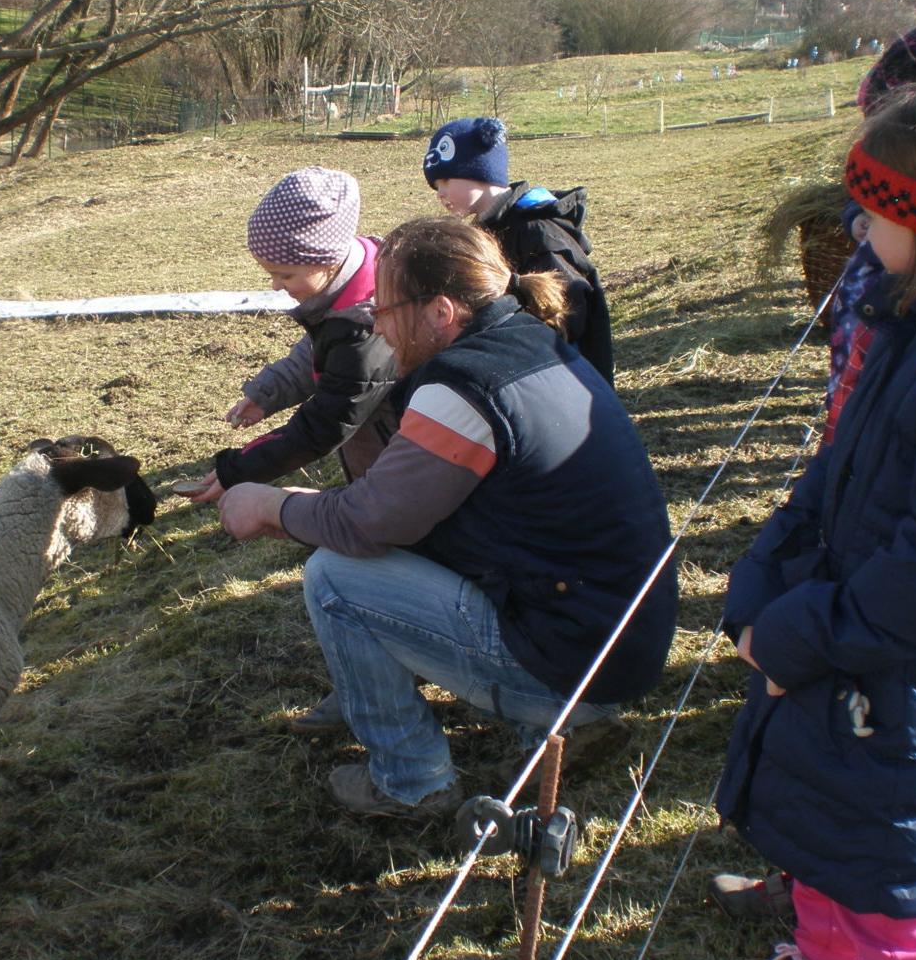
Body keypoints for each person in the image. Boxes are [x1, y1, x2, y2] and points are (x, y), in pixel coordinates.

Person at [216, 216, 678, 818]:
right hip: (615, 637)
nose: (375, 323)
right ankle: (546, 730)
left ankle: (412, 780)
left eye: (385, 308)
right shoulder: (533, 341)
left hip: (575, 659)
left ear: (439, 312)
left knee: (336, 578)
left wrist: (270, 503)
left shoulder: (462, 390)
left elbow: (367, 521)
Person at [694, 81, 916, 960]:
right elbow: (831, 473)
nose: (855, 224)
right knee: (816, 843)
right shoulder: (909, 321)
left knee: (895, 907)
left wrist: (796, 636)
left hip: (895, 682)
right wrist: (762, 585)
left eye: (876, 207)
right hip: (830, 645)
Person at [179, 166, 398, 503]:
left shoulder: (366, 326)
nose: (275, 286)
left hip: (396, 456)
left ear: (325, 259)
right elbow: (316, 355)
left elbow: (324, 425)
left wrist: (237, 470)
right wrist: (267, 394)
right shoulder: (348, 287)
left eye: (285, 275)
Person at [422, 116, 614, 384]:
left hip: (559, 372)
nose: (439, 193)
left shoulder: (535, 230)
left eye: (445, 181)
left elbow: (569, 309)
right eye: (435, 186)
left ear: (478, 172)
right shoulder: (485, 232)